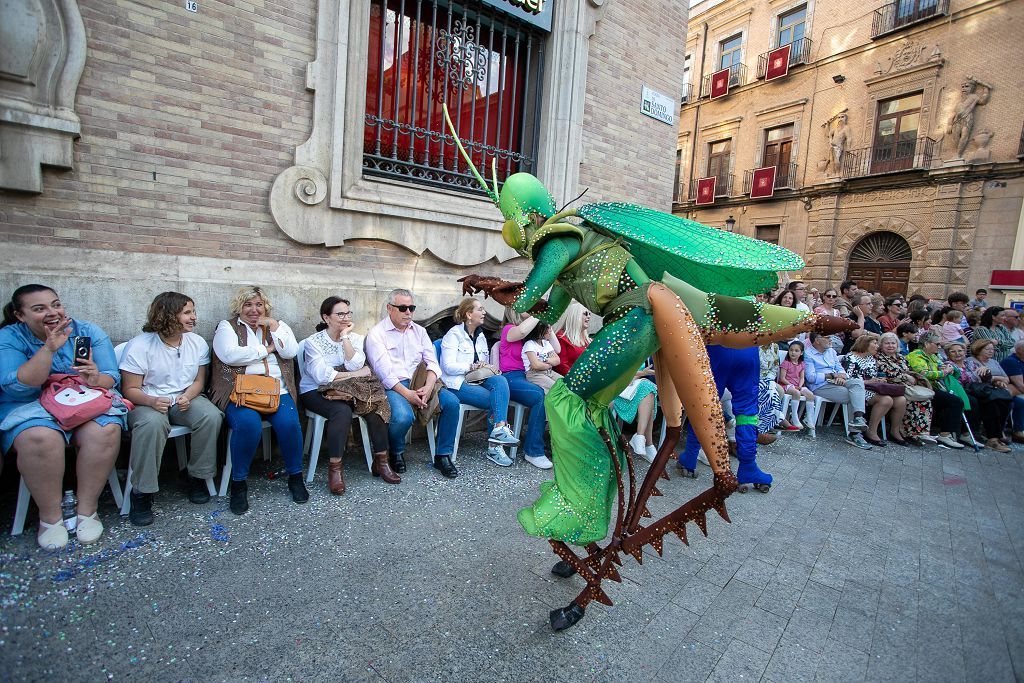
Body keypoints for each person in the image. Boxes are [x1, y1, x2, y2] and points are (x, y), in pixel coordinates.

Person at [0, 284, 124, 548]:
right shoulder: (10, 337)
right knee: (40, 437)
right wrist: (48, 349)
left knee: (106, 429)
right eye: (39, 309)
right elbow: (17, 386)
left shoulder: (86, 332)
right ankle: (50, 517)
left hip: (81, 399)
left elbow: (110, 378)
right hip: (30, 403)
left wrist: (92, 377)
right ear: (20, 315)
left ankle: (87, 510)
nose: (51, 312)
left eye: (55, 304)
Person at [119, 292, 223, 525]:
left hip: (183, 399)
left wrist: (187, 396)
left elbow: (198, 381)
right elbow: (130, 389)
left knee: (211, 416)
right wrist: (151, 402)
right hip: (147, 401)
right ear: (168, 315)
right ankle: (142, 493)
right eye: (187, 312)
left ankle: (195, 476)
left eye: (193, 311)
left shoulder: (196, 343)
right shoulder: (140, 345)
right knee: (152, 424)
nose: (193, 317)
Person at [210, 286, 307, 514]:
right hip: (240, 391)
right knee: (248, 425)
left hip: (277, 390)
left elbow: (290, 351)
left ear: (266, 308)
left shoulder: (277, 326)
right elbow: (230, 355)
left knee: (290, 424)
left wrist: (274, 328)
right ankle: (239, 483)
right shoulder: (228, 327)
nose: (254, 310)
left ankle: (295, 477)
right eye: (248, 305)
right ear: (239, 307)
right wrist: (267, 349)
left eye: (258, 305)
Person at [300, 296, 396, 494]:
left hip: (350, 390)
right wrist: (354, 375)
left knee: (375, 404)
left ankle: (382, 462)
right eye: (340, 314)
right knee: (341, 412)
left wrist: (344, 337)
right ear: (326, 318)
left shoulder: (355, 339)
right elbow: (321, 377)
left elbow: (355, 364)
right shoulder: (313, 343)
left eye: (347, 313)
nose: (345, 317)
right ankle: (335, 470)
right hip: (314, 391)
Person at [365, 288, 461, 478]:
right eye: (403, 308)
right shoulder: (377, 334)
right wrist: (408, 394)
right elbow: (385, 374)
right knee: (402, 417)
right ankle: (396, 450)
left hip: (422, 380)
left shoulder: (420, 331)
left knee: (452, 403)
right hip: (394, 385)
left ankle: (443, 455)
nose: (408, 312)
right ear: (389, 308)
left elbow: (432, 362)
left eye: (411, 308)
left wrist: (429, 385)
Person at [439, 298, 520, 467]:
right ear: (469, 314)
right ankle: (495, 446)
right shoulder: (453, 335)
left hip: (476, 380)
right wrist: (471, 366)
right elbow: (447, 367)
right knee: (495, 400)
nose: (484, 312)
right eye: (480, 309)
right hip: (456, 384)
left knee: (500, 380)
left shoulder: (481, 335)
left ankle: (498, 430)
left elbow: (482, 364)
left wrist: (484, 365)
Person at [498, 309, 551, 469]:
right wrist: (538, 313)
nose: (531, 309)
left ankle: (551, 441)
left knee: (558, 391)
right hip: (510, 377)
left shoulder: (530, 335)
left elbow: (556, 348)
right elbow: (520, 331)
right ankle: (533, 451)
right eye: (527, 307)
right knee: (538, 395)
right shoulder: (509, 329)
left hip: (530, 375)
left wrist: (548, 317)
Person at [804, 332, 871, 449]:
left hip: (837, 382)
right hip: (820, 386)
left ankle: (858, 418)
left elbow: (840, 369)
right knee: (853, 396)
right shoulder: (808, 354)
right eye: (827, 337)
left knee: (857, 382)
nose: (831, 339)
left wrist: (841, 376)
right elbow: (811, 377)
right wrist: (832, 375)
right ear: (817, 340)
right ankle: (855, 434)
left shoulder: (831, 352)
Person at [906, 332, 970, 449]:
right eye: (937, 344)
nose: (939, 347)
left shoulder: (934, 356)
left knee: (964, 400)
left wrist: (949, 369)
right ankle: (944, 435)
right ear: (926, 344)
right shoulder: (916, 355)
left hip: (936, 386)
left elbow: (952, 371)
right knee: (955, 401)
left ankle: (962, 434)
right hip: (924, 387)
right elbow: (922, 373)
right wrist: (943, 372)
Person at [876, 332, 934, 446]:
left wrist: (910, 377)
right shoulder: (878, 357)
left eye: (893, 343)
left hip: (906, 385)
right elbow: (886, 373)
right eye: (887, 343)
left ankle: (919, 433)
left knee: (924, 400)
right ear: (881, 345)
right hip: (890, 386)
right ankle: (901, 432)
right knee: (909, 401)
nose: (890, 346)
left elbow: (909, 370)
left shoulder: (901, 357)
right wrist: (905, 377)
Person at [958, 339, 1013, 452]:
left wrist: (997, 380)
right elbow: (976, 378)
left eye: (992, 349)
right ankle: (993, 439)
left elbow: (1006, 378)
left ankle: (997, 434)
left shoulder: (994, 362)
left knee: (1006, 400)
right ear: (978, 350)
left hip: (991, 389)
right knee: (992, 402)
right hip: (978, 390)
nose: (991, 351)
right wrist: (995, 379)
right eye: (987, 349)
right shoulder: (970, 361)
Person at [614, 363, 659, 462]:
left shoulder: (644, 352)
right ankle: (647, 443)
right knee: (648, 389)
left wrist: (640, 375)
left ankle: (641, 437)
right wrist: (641, 374)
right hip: (616, 386)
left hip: (634, 385)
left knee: (649, 392)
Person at [778, 340, 816, 429]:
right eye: (791, 350)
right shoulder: (786, 363)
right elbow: (782, 378)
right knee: (796, 393)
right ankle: (794, 417)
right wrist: (792, 385)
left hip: (798, 385)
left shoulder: (802, 364)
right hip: (786, 385)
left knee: (810, 395)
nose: (793, 353)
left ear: (801, 353)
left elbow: (802, 377)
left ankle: (808, 418)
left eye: (796, 351)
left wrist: (800, 385)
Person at [521, 321, 562, 394]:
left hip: (548, 371)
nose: (550, 331)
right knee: (556, 388)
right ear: (540, 330)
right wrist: (550, 364)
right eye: (548, 328)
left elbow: (557, 360)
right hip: (534, 374)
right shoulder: (530, 344)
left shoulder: (546, 343)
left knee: (565, 383)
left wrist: (544, 360)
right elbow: (536, 365)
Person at [552, 302, 590, 377]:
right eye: (585, 313)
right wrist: (576, 379)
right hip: (573, 381)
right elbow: (562, 366)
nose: (589, 316)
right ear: (575, 316)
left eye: (589, 314)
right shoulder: (561, 337)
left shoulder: (588, 340)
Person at [1002, 340, 1024, 443]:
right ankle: (1017, 432)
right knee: (1020, 402)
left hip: (1016, 392)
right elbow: (1021, 387)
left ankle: (1019, 431)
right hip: (1008, 393)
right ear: (1019, 350)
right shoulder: (1011, 361)